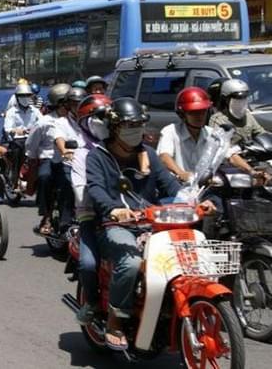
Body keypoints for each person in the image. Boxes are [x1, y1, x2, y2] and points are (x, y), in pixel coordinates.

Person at [85, 97, 216, 350]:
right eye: (128, 125)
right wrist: (115, 210)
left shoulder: (149, 154)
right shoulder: (97, 156)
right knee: (132, 262)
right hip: (116, 226)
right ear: (114, 128)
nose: (135, 129)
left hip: (152, 224)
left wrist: (195, 202)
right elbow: (96, 190)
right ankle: (116, 320)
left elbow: (170, 185)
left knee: (189, 259)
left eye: (138, 124)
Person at [69, 94, 112, 324]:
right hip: (93, 216)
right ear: (86, 122)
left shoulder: (123, 147)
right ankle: (92, 303)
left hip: (132, 217)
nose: (104, 123)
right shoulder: (82, 154)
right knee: (88, 263)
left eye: (108, 118)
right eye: (99, 118)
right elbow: (82, 189)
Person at [158, 86, 256, 182]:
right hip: (176, 188)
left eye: (203, 112)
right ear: (182, 114)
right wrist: (180, 173)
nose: (200, 116)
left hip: (203, 188)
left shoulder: (212, 134)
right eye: (194, 113)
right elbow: (164, 156)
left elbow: (230, 155)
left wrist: (252, 172)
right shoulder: (170, 131)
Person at [26, 83, 70, 235]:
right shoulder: (44, 122)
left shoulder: (76, 121)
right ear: (59, 104)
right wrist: (32, 162)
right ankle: (46, 217)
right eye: (69, 102)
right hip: (49, 159)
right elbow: (31, 145)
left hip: (73, 160)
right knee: (45, 177)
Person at [49, 87, 87, 233]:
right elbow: (59, 138)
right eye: (74, 104)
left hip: (91, 162)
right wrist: (64, 150)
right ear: (68, 105)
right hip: (69, 163)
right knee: (68, 185)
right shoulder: (61, 122)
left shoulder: (92, 121)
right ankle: (65, 223)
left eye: (80, 103)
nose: (77, 107)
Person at [209, 79, 266, 147]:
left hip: (252, 155)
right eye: (237, 100)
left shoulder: (247, 115)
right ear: (226, 100)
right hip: (232, 156)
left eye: (244, 99)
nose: (241, 103)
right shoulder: (218, 120)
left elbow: (260, 133)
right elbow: (218, 145)